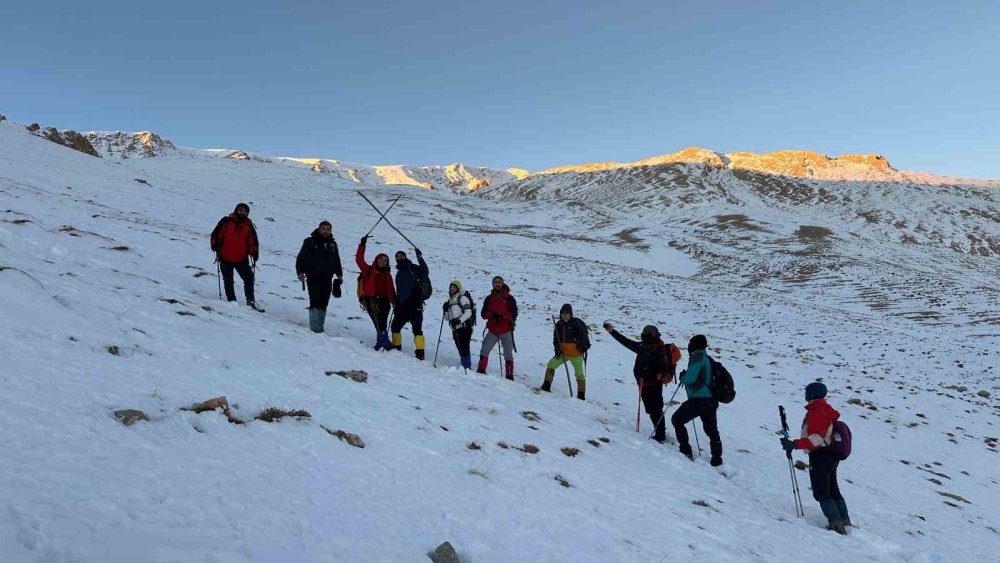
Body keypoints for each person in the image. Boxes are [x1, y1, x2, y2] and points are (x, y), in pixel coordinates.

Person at [781, 382, 852, 534]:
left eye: (806, 393)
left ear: (811, 395)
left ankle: (836, 525)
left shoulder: (817, 412)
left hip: (821, 455)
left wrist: (794, 444)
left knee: (821, 491)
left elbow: (816, 438)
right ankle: (844, 521)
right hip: (831, 454)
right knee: (832, 488)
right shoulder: (824, 409)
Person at [605, 322, 674, 442]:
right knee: (652, 409)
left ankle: (660, 434)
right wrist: (612, 332)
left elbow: (664, 368)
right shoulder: (643, 346)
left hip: (653, 385)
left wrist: (653, 374)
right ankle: (660, 431)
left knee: (655, 409)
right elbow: (626, 342)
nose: (643, 336)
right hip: (643, 383)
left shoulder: (659, 351)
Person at [673, 334, 724, 466]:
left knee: (677, 420)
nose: (688, 345)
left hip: (698, 400)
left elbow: (690, 379)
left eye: (691, 343)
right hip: (711, 400)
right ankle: (717, 459)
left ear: (695, 345)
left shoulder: (697, 358)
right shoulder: (707, 358)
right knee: (712, 430)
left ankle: (685, 450)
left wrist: (683, 376)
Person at [295, 220, 343, 333]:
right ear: (319, 229)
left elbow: (337, 260)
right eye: (324, 228)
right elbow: (301, 257)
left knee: (324, 301)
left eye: (328, 229)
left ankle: (320, 325)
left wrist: (339, 274)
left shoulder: (332, 244)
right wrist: (300, 272)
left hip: (327, 276)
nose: (326, 231)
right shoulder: (310, 241)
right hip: (313, 275)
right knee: (315, 299)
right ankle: (315, 326)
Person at [210, 202, 260, 309]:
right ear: (236, 210)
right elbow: (215, 234)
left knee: (249, 278)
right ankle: (231, 300)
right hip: (225, 256)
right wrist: (215, 246)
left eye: (245, 211)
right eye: (240, 210)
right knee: (228, 280)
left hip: (241, 258)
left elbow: (253, 242)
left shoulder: (249, 226)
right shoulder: (226, 221)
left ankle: (250, 301)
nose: (242, 213)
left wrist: (254, 253)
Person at [542, 303, 590, 400]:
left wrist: (582, 346)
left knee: (579, 374)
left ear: (571, 314)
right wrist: (557, 349)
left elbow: (584, 338)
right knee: (551, 364)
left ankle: (581, 396)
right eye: (563, 314)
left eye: (567, 314)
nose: (565, 316)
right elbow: (556, 339)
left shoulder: (576, 324)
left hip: (576, 354)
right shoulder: (559, 325)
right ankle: (546, 386)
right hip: (563, 353)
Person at [356, 235, 395, 350]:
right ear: (376, 259)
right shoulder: (368, 270)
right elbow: (359, 259)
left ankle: (382, 342)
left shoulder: (388, 274)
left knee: (382, 321)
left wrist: (393, 300)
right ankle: (384, 342)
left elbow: (391, 288)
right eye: (381, 259)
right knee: (377, 322)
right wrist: (362, 245)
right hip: (371, 300)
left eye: (385, 260)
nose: (383, 262)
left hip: (384, 301)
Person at [390, 249, 430, 360]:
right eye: (397, 256)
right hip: (402, 306)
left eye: (401, 256)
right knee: (395, 327)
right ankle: (397, 348)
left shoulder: (412, 268)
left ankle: (420, 354)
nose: (399, 258)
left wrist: (420, 258)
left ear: (405, 257)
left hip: (414, 305)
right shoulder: (398, 273)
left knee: (417, 330)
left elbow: (425, 271)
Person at [477, 276, 518, 379]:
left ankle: (509, 376)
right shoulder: (489, 298)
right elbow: (483, 314)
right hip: (492, 330)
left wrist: (503, 316)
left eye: (499, 282)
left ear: (502, 283)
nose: (497, 284)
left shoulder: (509, 298)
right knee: (484, 349)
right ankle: (481, 370)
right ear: (493, 284)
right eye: (495, 282)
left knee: (508, 353)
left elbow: (514, 314)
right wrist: (492, 315)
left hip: (506, 330)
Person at [443, 280, 475, 370]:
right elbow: (447, 318)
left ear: (458, 288)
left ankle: (467, 367)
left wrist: (459, 321)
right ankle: (465, 364)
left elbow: (469, 312)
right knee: (459, 346)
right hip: (454, 328)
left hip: (465, 327)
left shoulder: (463, 298)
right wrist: (445, 310)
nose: (452, 289)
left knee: (464, 347)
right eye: (451, 287)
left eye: (454, 287)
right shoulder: (449, 301)